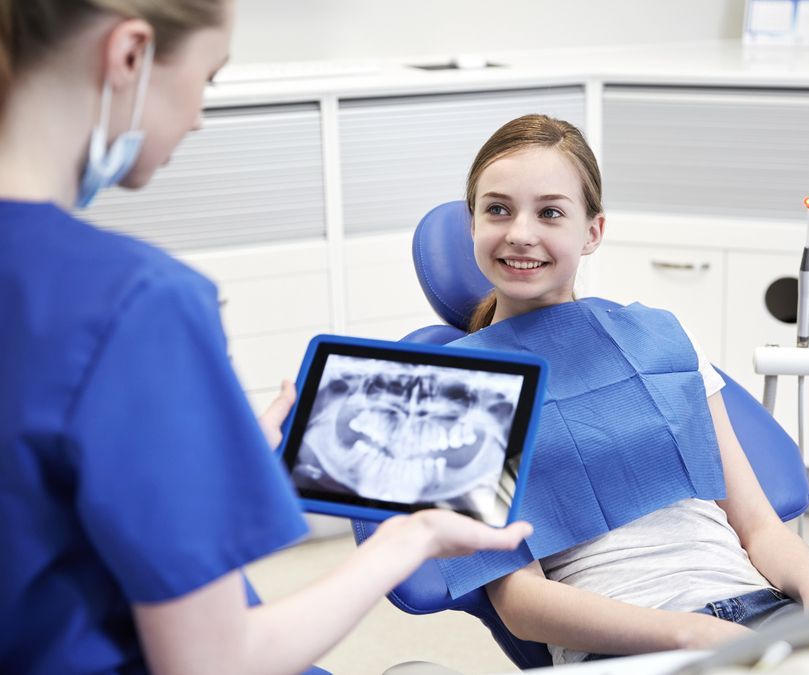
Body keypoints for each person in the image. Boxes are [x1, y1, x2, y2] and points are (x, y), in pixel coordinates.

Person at [0, 2, 530, 673]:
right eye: (209, 77)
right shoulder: (137, 302)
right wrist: (410, 537)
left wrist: (192, 465)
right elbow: (211, 662)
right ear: (129, 55)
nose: (196, 115)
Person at [449, 114, 809, 665]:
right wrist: (687, 632)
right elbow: (520, 601)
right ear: (471, 224)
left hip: (760, 616)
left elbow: (757, 526)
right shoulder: (454, 391)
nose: (521, 232)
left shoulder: (663, 338)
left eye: (550, 212)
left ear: (591, 231)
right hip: (630, 650)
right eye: (497, 209)